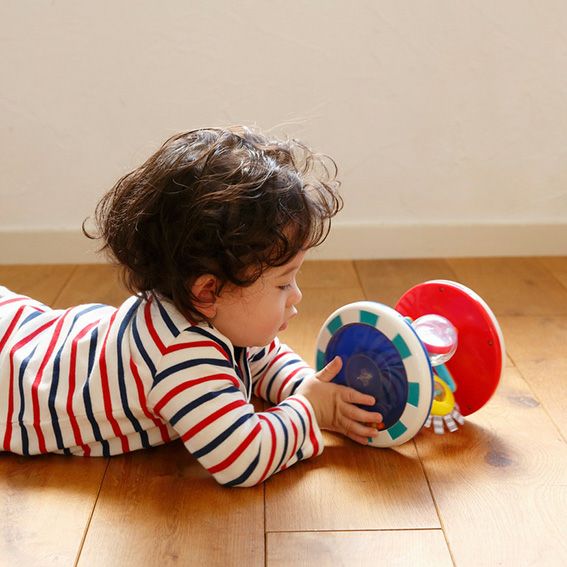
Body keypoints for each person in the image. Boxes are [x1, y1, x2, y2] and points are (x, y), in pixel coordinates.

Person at [0, 126, 383, 487]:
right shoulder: (182, 354)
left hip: (38, 337)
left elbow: (263, 358)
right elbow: (243, 456)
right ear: (207, 292)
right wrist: (311, 410)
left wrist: (306, 386)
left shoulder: (217, 316)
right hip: (12, 391)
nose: (296, 295)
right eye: (284, 283)